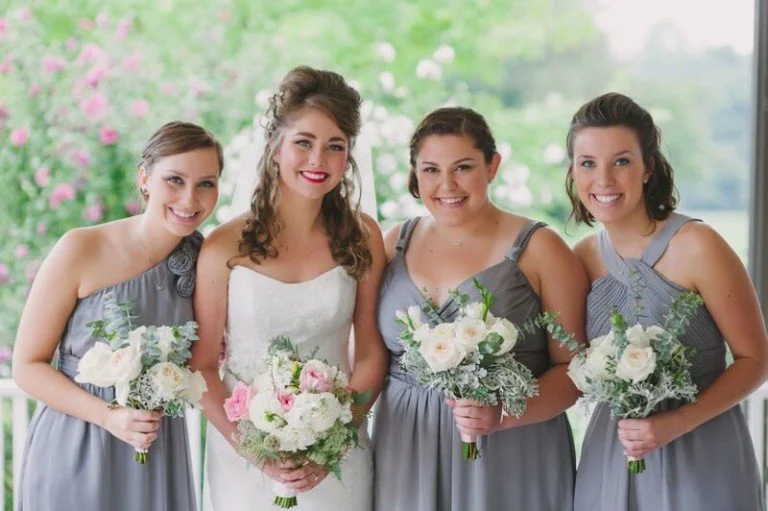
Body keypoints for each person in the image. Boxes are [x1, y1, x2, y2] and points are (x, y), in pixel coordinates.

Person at [192, 66, 388, 511]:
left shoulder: (363, 236)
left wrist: (334, 443)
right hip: (243, 457)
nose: (318, 160)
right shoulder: (224, 246)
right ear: (276, 147)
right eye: (304, 142)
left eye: (335, 147)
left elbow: (372, 353)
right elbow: (202, 366)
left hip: (338, 455)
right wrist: (256, 453)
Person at [373, 106, 587, 511]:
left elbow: (574, 371)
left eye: (463, 167)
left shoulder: (541, 249)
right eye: (431, 169)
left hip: (511, 451)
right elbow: (367, 354)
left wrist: (503, 414)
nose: (446, 184)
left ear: (493, 166)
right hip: (406, 447)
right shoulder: (391, 244)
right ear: (415, 173)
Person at [568, 92, 767, 511]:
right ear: (573, 171)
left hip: (702, 449)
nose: (603, 180)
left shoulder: (698, 246)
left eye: (621, 161)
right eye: (588, 163)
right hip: (614, 451)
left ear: (648, 168)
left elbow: (755, 360)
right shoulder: (580, 259)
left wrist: (676, 422)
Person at [13, 121, 224, 510]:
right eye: (174, 179)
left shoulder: (209, 260)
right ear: (145, 178)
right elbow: (26, 366)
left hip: (155, 447)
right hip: (77, 443)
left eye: (206, 183)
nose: (190, 198)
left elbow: (210, 358)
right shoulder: (80, 248)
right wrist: (108, 416)